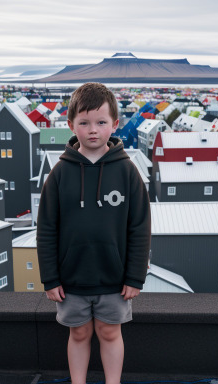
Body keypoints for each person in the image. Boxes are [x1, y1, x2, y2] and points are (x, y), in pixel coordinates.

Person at [37, 82, 151, 384]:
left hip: (115, 279)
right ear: (71, 124)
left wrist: (135, 276)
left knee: (110, 332)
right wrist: (50, 278)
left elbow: (140, 228)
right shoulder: (59, 173)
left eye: (101, 122)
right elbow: (46, 229)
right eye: (84, 122)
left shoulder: (127, 172)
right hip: (71, 279)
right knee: (80, 332)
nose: (92, 130)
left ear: (114, 124)